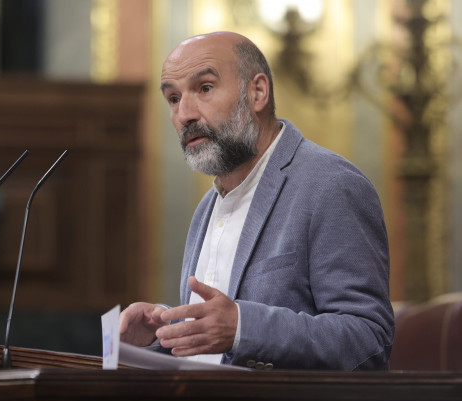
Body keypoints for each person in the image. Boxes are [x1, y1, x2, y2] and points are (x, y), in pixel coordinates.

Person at [119, 31, 394, 370]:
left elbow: (369, 340)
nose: (184, 114)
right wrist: (161, 335)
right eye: (173, 98)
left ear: (257, 92)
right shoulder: (207, 208)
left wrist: (244, 327)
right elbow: (219, 351)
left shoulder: (331, 185)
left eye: (204, 88)